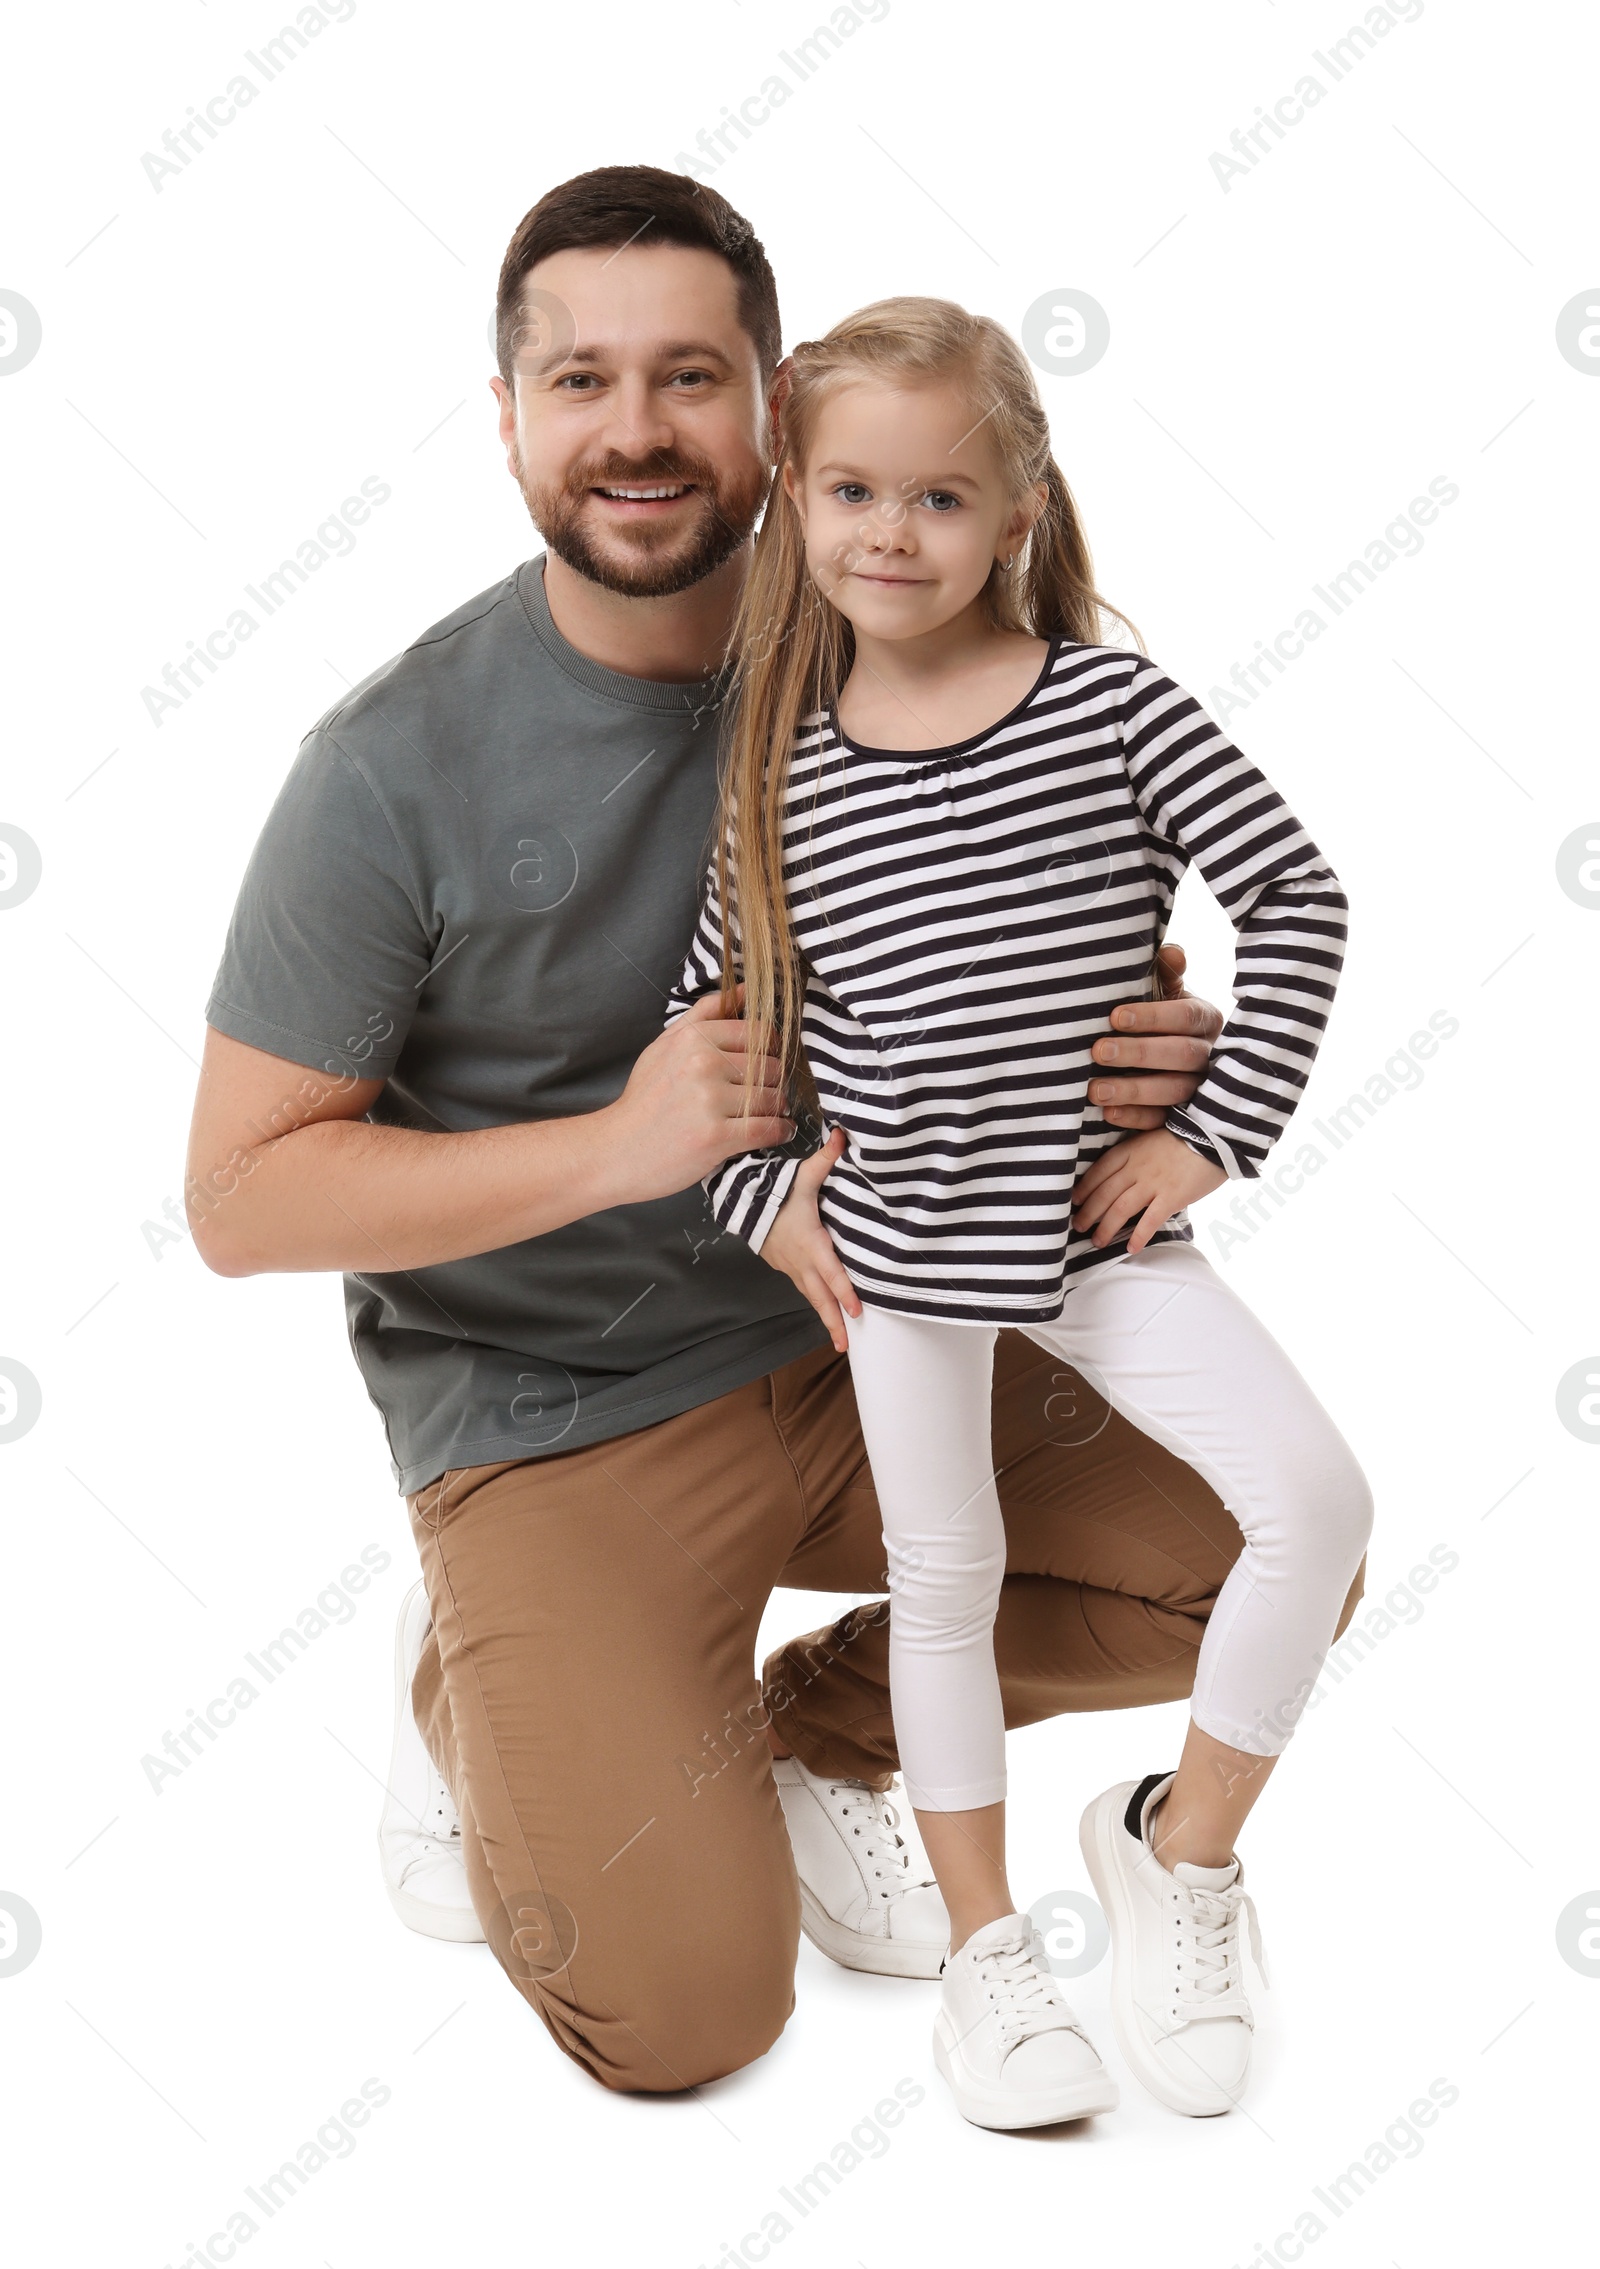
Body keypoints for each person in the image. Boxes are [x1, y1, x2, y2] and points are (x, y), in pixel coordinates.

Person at [184, 165, 1365, 2098]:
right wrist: (624, 1144)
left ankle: (818, 1729)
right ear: (506, 418)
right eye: (579, 381)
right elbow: (233, 1199)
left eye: (689, 377)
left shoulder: (877, 634)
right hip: (566, 1407)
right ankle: (476, 1660)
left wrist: (1148, 1049)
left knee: (1267, 1540)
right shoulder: (390, 764)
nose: (635, 429)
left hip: (878, 1319)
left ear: (778, 410)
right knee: (687, 2017)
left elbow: (1079, 888)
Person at [665, 297, 1373, 2128]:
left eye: (939, 497)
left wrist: (1210, 1137)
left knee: (1312, 1501)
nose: (890, 533)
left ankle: (1183, 1851)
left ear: (1018, 510)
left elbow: (1298, 899)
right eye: (850, 491)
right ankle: (993, 1956)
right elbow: (709, 1017)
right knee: (949, 1581)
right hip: (899, 1262)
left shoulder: (1111, 705)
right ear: (799, 504)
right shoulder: (776, 758)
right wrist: (768, 1198)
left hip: (1095, 1237)